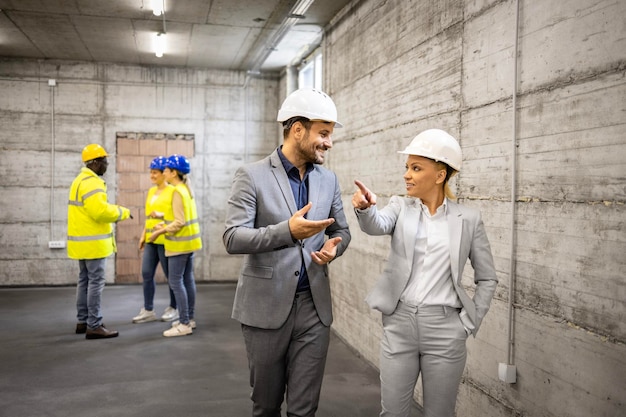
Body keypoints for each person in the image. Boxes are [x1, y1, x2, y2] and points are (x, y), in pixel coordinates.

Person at [223, 87, 352, 417]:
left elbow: (341, 231)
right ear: (298, 129)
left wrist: (332, 249)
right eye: (323, 134)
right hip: (265, 308)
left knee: (304, 409)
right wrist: (286, 232)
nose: (329, 142)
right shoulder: (251, 176)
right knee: (266, 406)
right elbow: (232, 237)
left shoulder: (329, 180)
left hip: (314, 308)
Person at [352, 129, 498, 417]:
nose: (407, 175)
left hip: (446, 329)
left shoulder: (468, 219)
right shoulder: (399, 207)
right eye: (407, 167)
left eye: (416, 168)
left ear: (440, 175)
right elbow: (376, 225)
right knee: (393, 413)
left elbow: (487, 277)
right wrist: (366, 209)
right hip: (400, 324)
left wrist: (467, 324)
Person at [68, 143, 132, 339]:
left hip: (82, 243)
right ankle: (94, 325)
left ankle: (83, 321)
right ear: (95, 163)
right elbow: (100, 211)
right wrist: (123, 212)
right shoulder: (92, 182)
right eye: (104, 161)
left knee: (84, 281)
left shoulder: (79, 180)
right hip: (93, 244)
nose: (107, 164)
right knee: (95, 282)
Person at [148, 154, 202, 337]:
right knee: (187, 281)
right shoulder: (185, 189)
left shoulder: (177, 191)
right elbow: (180, 217)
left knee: (176, 282)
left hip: (178, 245)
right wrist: (163, 220)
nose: (163, 172)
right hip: (188, 243)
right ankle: (189, 319)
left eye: (166, 170)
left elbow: (179, 222)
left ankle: (184, 323)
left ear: (174, 173)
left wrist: (159, 232)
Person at [132, 156, 178, 324]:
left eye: (155, 173)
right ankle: (148, 310)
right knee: (146, 273)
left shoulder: (173, 191)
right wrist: (144, 235)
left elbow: (176, 215)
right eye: (150, 172)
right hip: (152, 239)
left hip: (166, 239)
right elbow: (148, 217)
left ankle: (174, 307)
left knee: (171, 276)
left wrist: (162, 216)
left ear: (164, 174)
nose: (152, 175)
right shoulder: (151, 192)